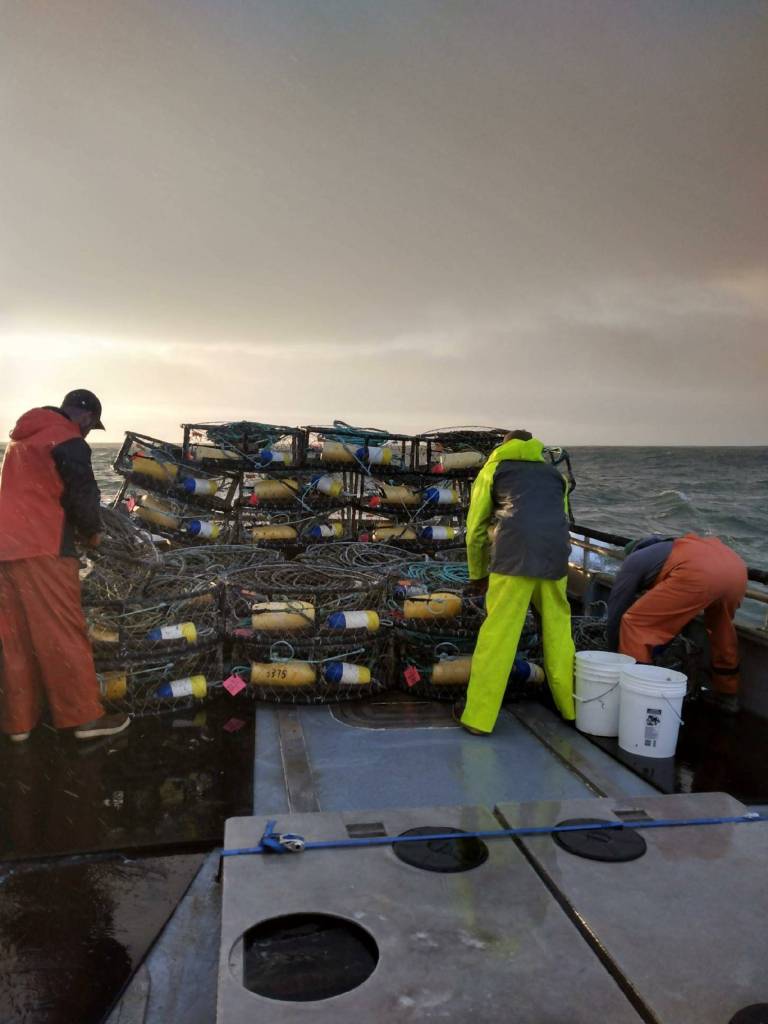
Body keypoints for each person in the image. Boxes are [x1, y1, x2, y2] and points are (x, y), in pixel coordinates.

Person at [0, 389, 130, 741]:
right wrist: (93, 534)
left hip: (5, 550)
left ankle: (18, 725)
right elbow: (82, 495)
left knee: (16, 638)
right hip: (43, 548)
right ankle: (82, 719)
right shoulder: (69, 439)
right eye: (91, 426)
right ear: (86, 417)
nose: (89, 432)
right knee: (63, 633)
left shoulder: (19, 441)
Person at [457, 430, 576, 735]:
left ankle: (479, 718)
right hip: (555, 558)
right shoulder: (554, 475)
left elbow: (476, 528)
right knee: (558, 633)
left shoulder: (494, 469)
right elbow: (561, 518)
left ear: (504, 445)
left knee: (499, 635)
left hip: (512, 559)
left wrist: (477, 575)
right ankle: (570, 708)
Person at [606, 533, 747, 713]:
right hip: (737, 571)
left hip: (700, 574)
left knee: (635, 624)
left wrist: (611, 653)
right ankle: (728, 696)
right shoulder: (680, 547)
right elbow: (673, 618)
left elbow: (616, 609)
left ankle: (640, 696)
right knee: (721, 631)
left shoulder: (634, 561)